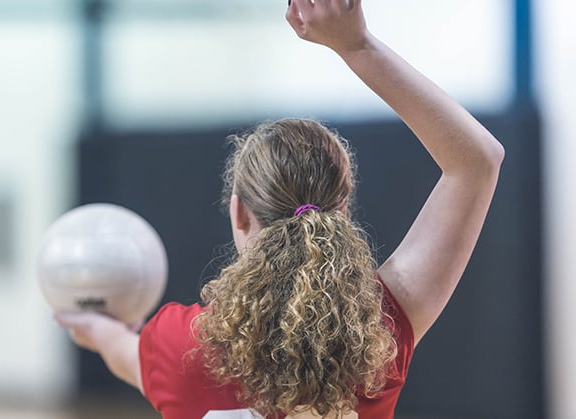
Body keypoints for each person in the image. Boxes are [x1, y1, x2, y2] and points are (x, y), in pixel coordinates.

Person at [55, 1, 505, 418]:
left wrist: (98, 325)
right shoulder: (381, 326)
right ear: (341, 211)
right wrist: (357, 45)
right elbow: (476, 161)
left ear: (239, 213)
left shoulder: (181, 345)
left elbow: (123, 351)